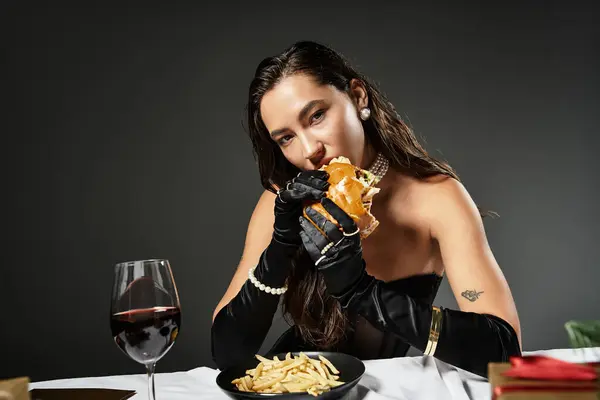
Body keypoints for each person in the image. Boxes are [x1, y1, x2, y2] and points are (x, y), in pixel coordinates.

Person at [210, 40, 522, 378]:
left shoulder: (437, 197)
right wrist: (280, 249)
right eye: (286, 138)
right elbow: (227, 354)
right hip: (295, 389)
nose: (309, 149)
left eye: (316, 116)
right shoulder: (281, 201)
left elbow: (505, 354)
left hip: (388, 390)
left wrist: (362, 291)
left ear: (358, 97)